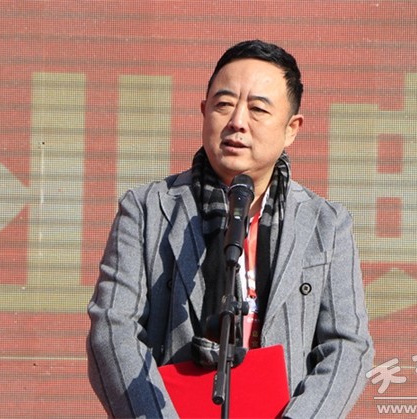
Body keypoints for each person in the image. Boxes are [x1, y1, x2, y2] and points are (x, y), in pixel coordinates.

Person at [87, 39, 374, 418]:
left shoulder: (327, 223)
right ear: (204, 111)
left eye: (258, 109)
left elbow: (348, 345)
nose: (237, 121)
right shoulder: (146, 209)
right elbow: (113, 329)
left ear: (291, 129)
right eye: (223, 104)